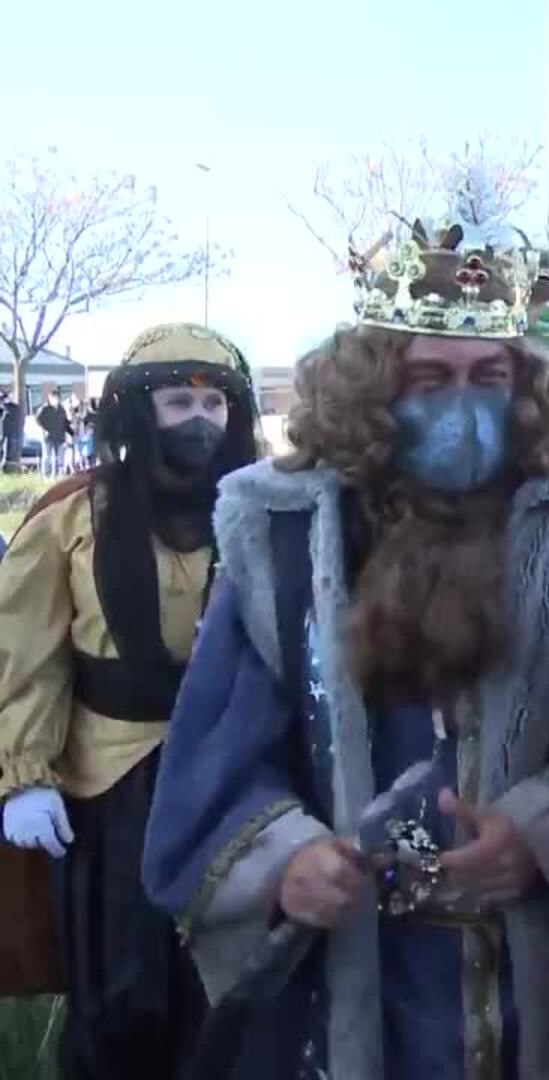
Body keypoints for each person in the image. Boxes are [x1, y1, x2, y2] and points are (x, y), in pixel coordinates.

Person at [141, 218, 549, 1079]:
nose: (461, 402)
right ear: (376, 387)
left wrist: (548, 833)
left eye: (488, 377)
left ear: (526, 386)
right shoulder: (286, 534)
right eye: (430, 376)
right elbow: (218, 752)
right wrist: (288, 863)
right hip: (352, 983)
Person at [0, 323, 259, 1077]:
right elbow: (27, 654)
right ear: (136, 413)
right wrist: (25, 774)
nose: (201, 418)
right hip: (109, 785)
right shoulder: (71, 515)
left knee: (226, 999)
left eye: (214, 403)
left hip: (233, 779)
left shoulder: (263, 510)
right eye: (179, 401)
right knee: (121, 1002)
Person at [37, 389, 70, 478]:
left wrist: (69, 433)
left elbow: (65, 422)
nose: (54, 400)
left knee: (59, 456)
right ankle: (45, 474)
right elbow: (38, 420)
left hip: (60, 436)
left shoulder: (62, 409)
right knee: (47, 456)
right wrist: (45, 430)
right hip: (48, 437)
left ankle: (58, 474)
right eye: (52, 398)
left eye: (56, 398)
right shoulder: (44, 409)